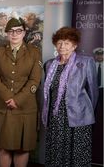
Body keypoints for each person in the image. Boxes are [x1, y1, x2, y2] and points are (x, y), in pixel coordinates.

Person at [0, 17, 42, 167]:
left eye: (18, 31)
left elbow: (34, 80)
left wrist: (17, 100)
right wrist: (8, 97)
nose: (14, 34)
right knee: (2, 147)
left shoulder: (34, 52)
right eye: (11, 31)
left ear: (24, 33)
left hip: (25, 106)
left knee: (22, 148)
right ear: (6, 33)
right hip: (2, 105)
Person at [42, 27, 98, 167]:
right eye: (59, 42)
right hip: (56, 119)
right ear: (55, 44)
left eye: (67, 43)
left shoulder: (86, 62)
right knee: (56, 154)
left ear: (75, 45)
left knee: (77, 157)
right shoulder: (49, 64)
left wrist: (86, 113)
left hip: (78, 118)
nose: (62, 46)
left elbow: (93, 93)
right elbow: (49, 93)